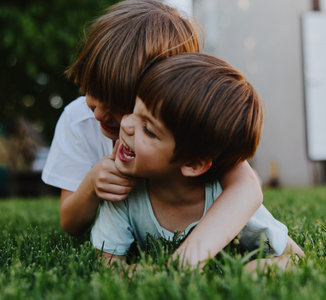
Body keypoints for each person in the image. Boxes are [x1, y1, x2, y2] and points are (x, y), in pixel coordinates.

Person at [42, 0, 264, 266]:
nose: (99, 113)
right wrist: (92, 184)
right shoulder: (78, 120)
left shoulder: (186, 128)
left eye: (117, 104)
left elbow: (247, 189)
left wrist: (189, 257)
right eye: (91, 92)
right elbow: (70, 222)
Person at [90, 53, 304, 268]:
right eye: (133, 111)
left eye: (148, 129)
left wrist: (260, 269)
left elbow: (295, 256)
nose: (126, 125)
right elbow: (106, 264)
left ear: (193, 164)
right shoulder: (122, 193)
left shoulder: (226, 200)